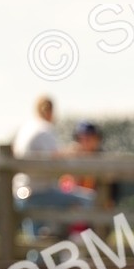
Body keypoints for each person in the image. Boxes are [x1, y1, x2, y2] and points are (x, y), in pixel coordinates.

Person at [12, 97, 91, 241]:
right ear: (51, 111)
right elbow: (56, 162)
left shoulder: (26, 128)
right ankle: (70, 238)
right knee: (89, 200)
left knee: (36, 246)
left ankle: (54, 233)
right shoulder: (44, 129)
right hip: (39, 191)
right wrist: (74, 152)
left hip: (21, 192)